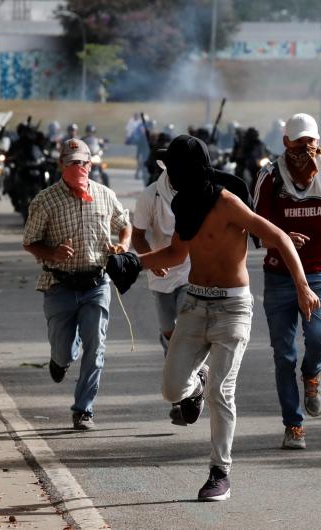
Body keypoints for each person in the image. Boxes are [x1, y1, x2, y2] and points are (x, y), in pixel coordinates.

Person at [131, 134, 320, 501]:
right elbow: (174, 254)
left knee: (223, 391)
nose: (168, 171)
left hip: (232, 307)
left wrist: (302, 286)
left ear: (190, 169)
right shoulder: (184, 205)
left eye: (174, 165)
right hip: (195, 304)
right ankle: (195, 384)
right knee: (172, 389)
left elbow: (278, 236)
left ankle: (220, 472)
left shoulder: (228, 202)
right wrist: (131, 262)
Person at [23, 137, 131, 431]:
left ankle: (84, 410)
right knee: (64, 350)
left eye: (82, 162)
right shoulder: (45, 200)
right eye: (71, 163)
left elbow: (124, 224)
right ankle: (60, 360)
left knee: (96, 346)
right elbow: (30, 242)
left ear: (90, 163)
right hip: (59, 284)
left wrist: (122, 245)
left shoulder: (104, 195)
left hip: (96, 284)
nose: (77, 167)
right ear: (61, 165)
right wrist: (53, 253)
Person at [252, 113, 321, 451]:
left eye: (311, 140)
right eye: (299, 141)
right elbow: (254, 228)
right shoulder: (269, 176)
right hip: (279, 276)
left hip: (318, 272)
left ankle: (313, 375)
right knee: (283, 355)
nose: (306, 147)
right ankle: (293, 425)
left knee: (318, 337)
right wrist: (281, 238)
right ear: (286, 142)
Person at [131, 165, 190, 425]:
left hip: (190, 271)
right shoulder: (150, 195)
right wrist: (151, 261)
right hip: (160, 274)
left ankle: (185, 395)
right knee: (170, 334)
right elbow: (137, 236)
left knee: (188, 331)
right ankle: (179, 386)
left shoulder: (196, 191)